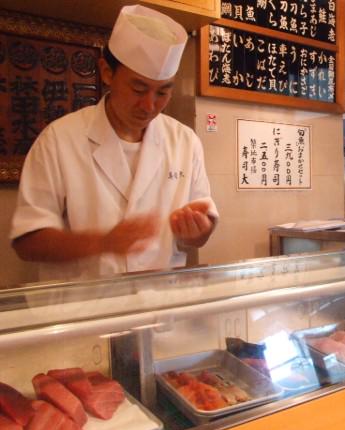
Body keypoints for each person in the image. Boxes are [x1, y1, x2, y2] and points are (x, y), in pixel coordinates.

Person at [9, 4, 218, 281]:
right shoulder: (59, 139)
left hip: (157, 309)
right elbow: (27, 241)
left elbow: (199, 233)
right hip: (83, 313)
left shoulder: (184, 141)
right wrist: (103, 243)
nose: (149, 105)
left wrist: (199, 230)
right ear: (107, 72)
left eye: (163, 92)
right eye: (138, 89)